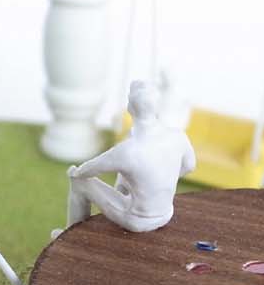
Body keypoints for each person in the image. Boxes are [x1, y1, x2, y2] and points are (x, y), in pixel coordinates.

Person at [61, 80, 195, 235]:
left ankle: (70, 235)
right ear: (157, 107)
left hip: (137, 219)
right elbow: (189, 166)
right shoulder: (178, 136)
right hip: (165, 213)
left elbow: (89, 170)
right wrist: (159, 182)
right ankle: (129, 196)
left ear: (130, 107)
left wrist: (76, 172)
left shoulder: (128, 150)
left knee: (79, 182)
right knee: (127, 173)